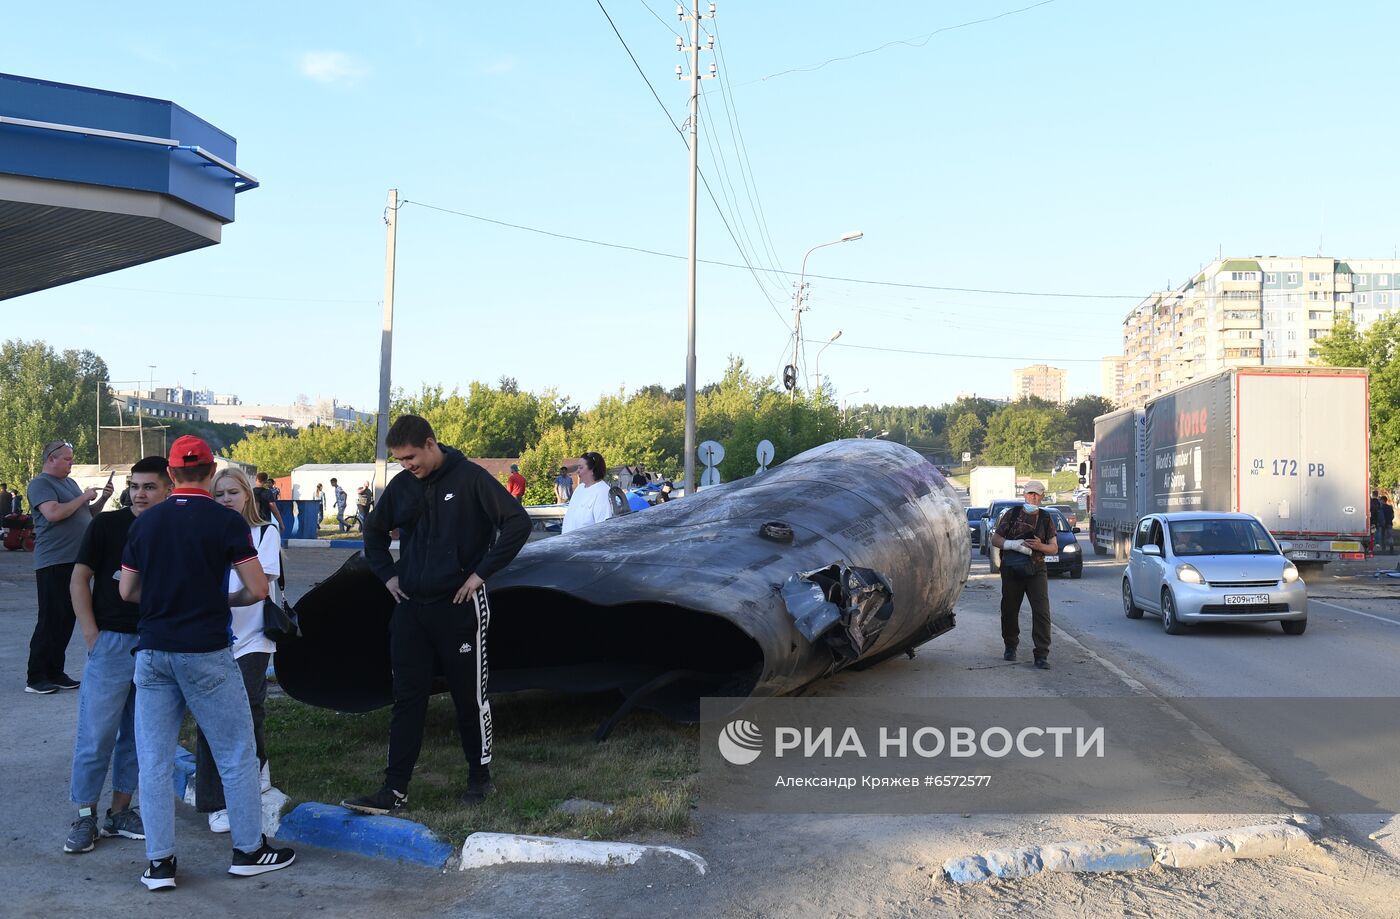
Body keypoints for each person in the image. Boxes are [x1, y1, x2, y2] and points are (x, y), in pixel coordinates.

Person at [119, 436, 294, 890]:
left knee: (153, 761)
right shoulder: (225, 522)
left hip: (154, 652)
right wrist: (222, 597)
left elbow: (127, 592)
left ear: (172, 474)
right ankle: (249, 851)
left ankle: (159, 863)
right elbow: (257, 589)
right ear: (211, 470)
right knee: (236, 753)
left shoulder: (146, 523)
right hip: (208, 651)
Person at [342, 415, 531, 816]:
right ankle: (394, 790)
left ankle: (480, 779)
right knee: (407, 698)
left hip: (460, 607)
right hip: (411, 608)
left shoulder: (472, 479)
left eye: (411, 457)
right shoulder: (403, 486)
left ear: (430, 444)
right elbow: (374, 532)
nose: (407, 465)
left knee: (469, 698)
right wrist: (388, 574)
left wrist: (480, 575)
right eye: (400, 461)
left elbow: (518, 523)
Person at [63, 456, 170, 855]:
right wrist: (92, 634)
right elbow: (79, 579)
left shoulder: (172, 529)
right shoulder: (107, 525)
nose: (140, 494)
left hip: (157, 645)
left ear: (168, 489)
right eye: (135, 486)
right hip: (110, 643)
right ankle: (86, 816)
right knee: (96, 735)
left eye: (149, 487)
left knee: (139, 738)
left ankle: (120, 811)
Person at [197, 467, 282, 834]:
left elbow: (260, 583)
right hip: (212, 638)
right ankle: (216, 801)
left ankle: (257, 769)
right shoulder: (202, 532)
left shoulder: (265, 532)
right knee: (210, 717)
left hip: (253, 637)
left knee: (248, 706)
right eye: (218, 494)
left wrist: (215, 599)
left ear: (247, 495)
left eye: (232, 492)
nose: (226, 499)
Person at [26, 440, 114, 695]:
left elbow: (88, 514)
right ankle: (36, 677)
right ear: (51, 459)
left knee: (66, 619)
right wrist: (84, 496)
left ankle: (55, 672)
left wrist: (102, 499)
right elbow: (53, 513)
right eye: (66, 459)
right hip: (54, 560)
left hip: (75, 562)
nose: (71, 463)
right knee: (51, 619)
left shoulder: (70, 484)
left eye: (71, 458)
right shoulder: (41, 484)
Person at [991, 480, 1057, 670]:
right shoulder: (1012, 515)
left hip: (1036, 569)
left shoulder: (1045, 518)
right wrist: (1013, 545)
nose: (1032, 497)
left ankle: (1041, 654)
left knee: (1042, 612)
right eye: (1029, 494)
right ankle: (1010, 645)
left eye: (1036, 494)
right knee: (1010, 609)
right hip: (1012, 570)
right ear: (1024, 495)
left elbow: (1053, 548)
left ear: (1042, 497)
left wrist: (1040, 546)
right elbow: (995, 539)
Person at [561, 452, 615, 534]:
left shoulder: (602, 492)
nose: (577, 471)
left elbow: (604, 529)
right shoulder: (579, 488)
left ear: (593, 470)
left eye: (581, 468)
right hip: (567, 543)